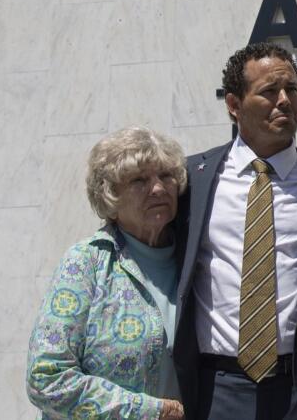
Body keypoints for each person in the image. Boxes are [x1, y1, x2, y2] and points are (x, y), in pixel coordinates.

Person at [173, 43, 297, 420]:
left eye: (293, 89)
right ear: (234, 105)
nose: (285, 100)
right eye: (269, 91)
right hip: (216, 391)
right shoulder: (190, 181)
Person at [27, 126, 188, 420]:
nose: (159, 188)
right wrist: (153, 412)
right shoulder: (86, 263)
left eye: (166, 176)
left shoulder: (194, 261)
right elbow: (46, 379)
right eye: (139, 180)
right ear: (111, 196)